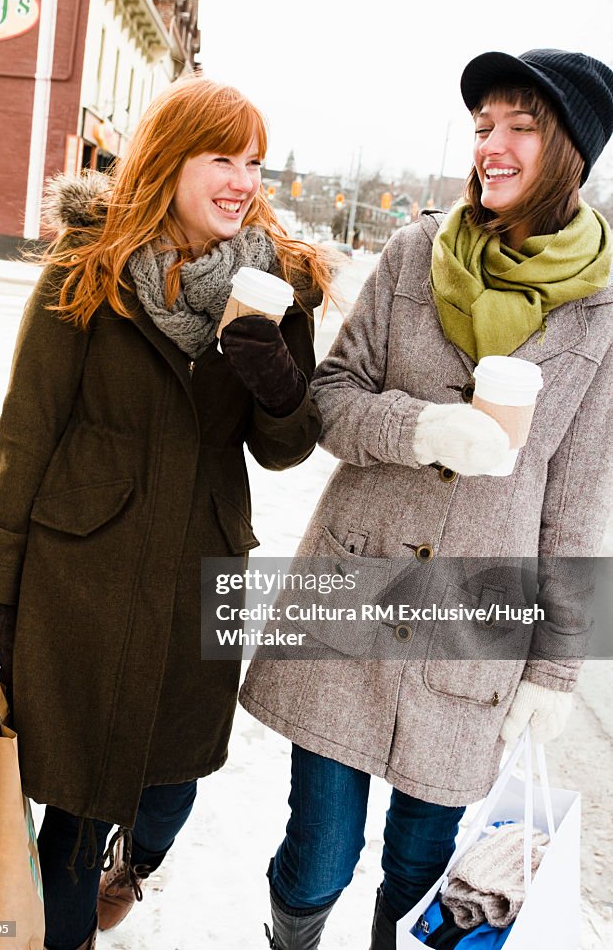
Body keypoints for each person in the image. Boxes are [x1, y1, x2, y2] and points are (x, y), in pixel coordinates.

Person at [239, 48, 613, 949]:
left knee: (420, 872)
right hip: (351, 599)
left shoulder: (600, 311)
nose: (493, 143)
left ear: (570, 148)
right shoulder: (415, 253)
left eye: (521, 125)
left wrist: (556, 669)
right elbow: (331, 395)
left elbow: (576, 502)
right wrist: (419, 431)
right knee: (316, 857)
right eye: (485, 126)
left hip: (475, 632)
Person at [0, 76, 333, 950]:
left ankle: (138, 866)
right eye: (222, 158)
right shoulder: (90, 268)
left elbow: (286, 445)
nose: (243, 180)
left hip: (200, 565)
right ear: (169, 161)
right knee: (75, 795)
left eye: (255, 163)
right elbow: (27, 429)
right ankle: (61, 930)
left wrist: (275, 379)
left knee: (173, 779)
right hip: (80, 567)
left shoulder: (279, 285)